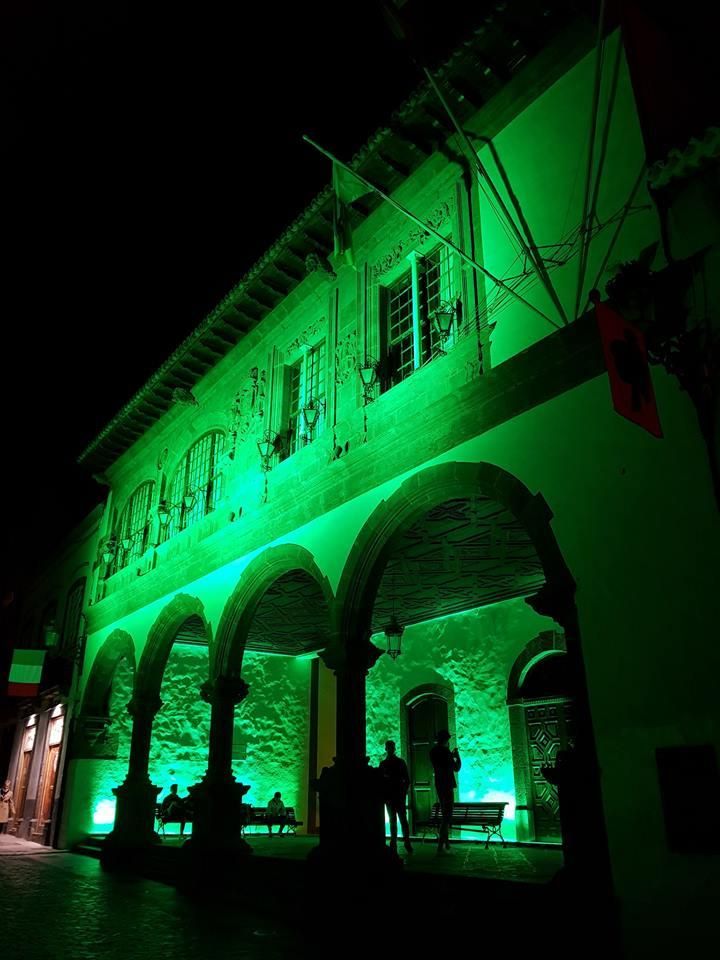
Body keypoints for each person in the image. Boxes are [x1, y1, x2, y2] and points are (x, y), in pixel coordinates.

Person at [429, 730, 461, 854]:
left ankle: (446, 843)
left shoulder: (433, 751)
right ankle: (440, 846)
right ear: (446, 739)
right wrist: (456, 756)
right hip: (447, 784)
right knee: (447, 816)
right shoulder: (445, 752)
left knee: (444, 813)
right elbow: (456, 768)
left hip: (439, 784)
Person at [379, 740, 413, 854]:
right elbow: (407, 779)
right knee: (402, 820)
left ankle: (394, 842)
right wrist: (403, 791)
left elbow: (381, 782)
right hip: (397, 795)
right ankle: (406, 842)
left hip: (391, 796)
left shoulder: (383, 764)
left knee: (395, 820)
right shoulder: (400, 762)